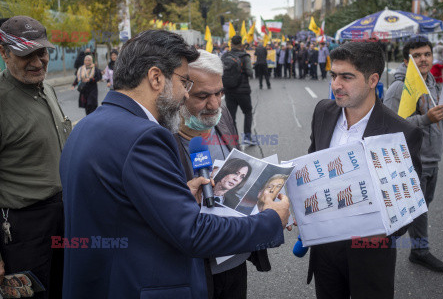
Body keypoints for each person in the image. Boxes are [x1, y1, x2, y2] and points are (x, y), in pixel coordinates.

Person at [60, 30, 290, 299]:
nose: (185, 94)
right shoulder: (145, 136)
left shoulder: (85, 126)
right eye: (184, 83)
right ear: (156, 78)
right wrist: (271, 219)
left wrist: (178, 195)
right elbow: (192, 233)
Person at [307, 41, 423, 299]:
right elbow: (312, 160)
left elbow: (410, 202)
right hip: (324, 247)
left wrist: (384, 229)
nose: (336, 84)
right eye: (333, 75)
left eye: (347, 77)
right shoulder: (323, 111)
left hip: (369, 252)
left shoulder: (401, 132)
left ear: (373, 80)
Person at [173, 49, 272, 299]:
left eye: (219, 93)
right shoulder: (159, 138)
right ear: (179, 92)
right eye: (203, 96)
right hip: (194, 272)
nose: (214, 104)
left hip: (235, 260)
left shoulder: (222, 115)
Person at [0, 15, 71, 299]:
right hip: (23, 230)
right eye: (25, 54)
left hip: (62, 217)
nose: (38, 62)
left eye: (41, 52)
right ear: (3, 53)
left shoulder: (48, 90)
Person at [384, 36, 443, 272]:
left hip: (433, 158)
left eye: (427, 54)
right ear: (406, 60)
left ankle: (416, 250)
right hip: (412, 161)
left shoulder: (432, 82)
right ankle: (417, 251)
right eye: (416, 55)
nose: (423, 59)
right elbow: (388, 126)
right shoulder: (399, 87)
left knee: (421, 207)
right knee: (412, 209)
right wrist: (425, 119)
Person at [223, 35, 256, 145]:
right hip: (243, 91)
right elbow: (250, 73)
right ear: (241, 43)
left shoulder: (225, 55)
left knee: (231, 117)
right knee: (247, 112)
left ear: (231, 43)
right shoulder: (244, 56)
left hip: (229, 91)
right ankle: (247, 137)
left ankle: (234, 140)